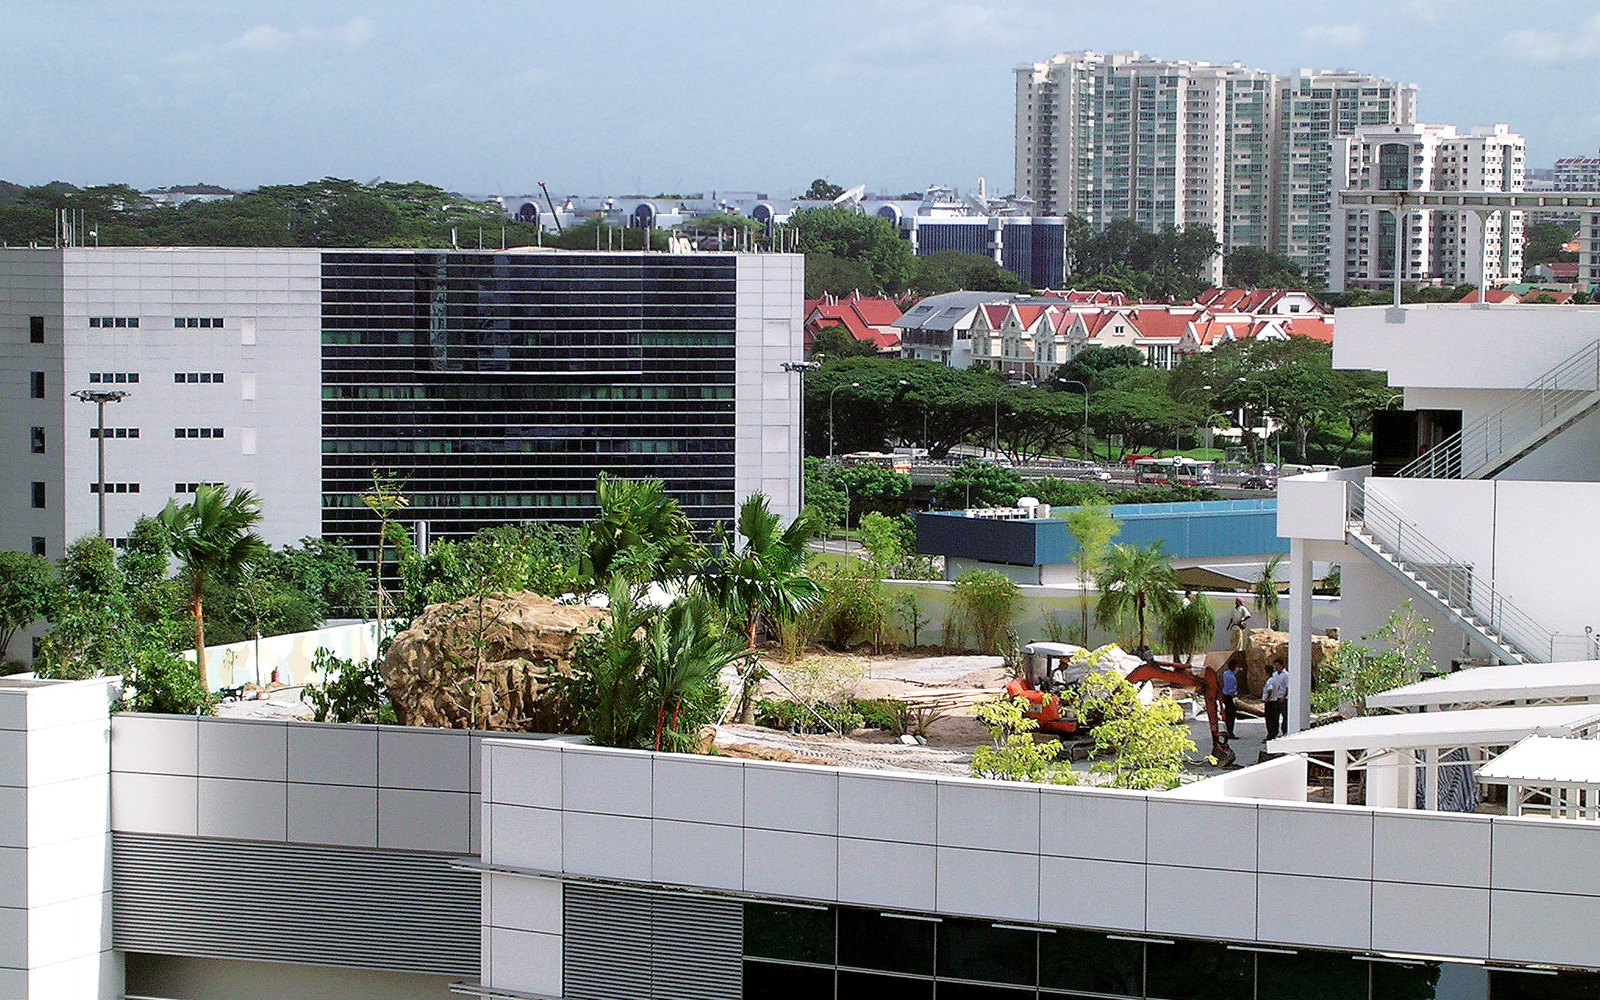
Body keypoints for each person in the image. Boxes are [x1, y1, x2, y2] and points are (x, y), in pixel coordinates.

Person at [1263, 661, 1289, 740]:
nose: (1276, 667)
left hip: (1282, 697)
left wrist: (1283, 697)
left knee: (1284, 715)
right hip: (1275, 698)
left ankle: (1284, 731)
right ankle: (1274, 732)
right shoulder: (1274, 675)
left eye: (1277, 665)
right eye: (1275, 665)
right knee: (1275, 717)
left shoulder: (1286, 675)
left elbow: (1287, 687)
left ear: (1282, 665)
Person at [1219, 660, 1240, 740]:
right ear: (1234, 667)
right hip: (1230, 696)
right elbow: (1232, 690)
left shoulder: (1226, 673)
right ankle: (1230, 731)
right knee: (1231, 715)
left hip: (1225, 695)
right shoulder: (1232, 678)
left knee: (1228, 714)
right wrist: (1234, 699)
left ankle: (1228, 730)